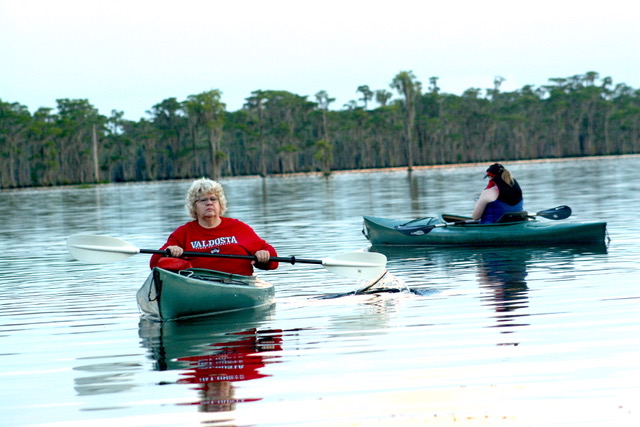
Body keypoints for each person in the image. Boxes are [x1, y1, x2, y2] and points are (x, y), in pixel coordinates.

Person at [150, 178, 278, 275]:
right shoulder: (183, 233)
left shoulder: (238, 227)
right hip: (198, 285)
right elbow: (154, 264)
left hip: (239, 284)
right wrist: (169, 252)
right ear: (194, 206)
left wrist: (264, 254)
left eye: (213, 199)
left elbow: (273, 260)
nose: (209, 203)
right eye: (203, 200)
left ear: (220, 203)